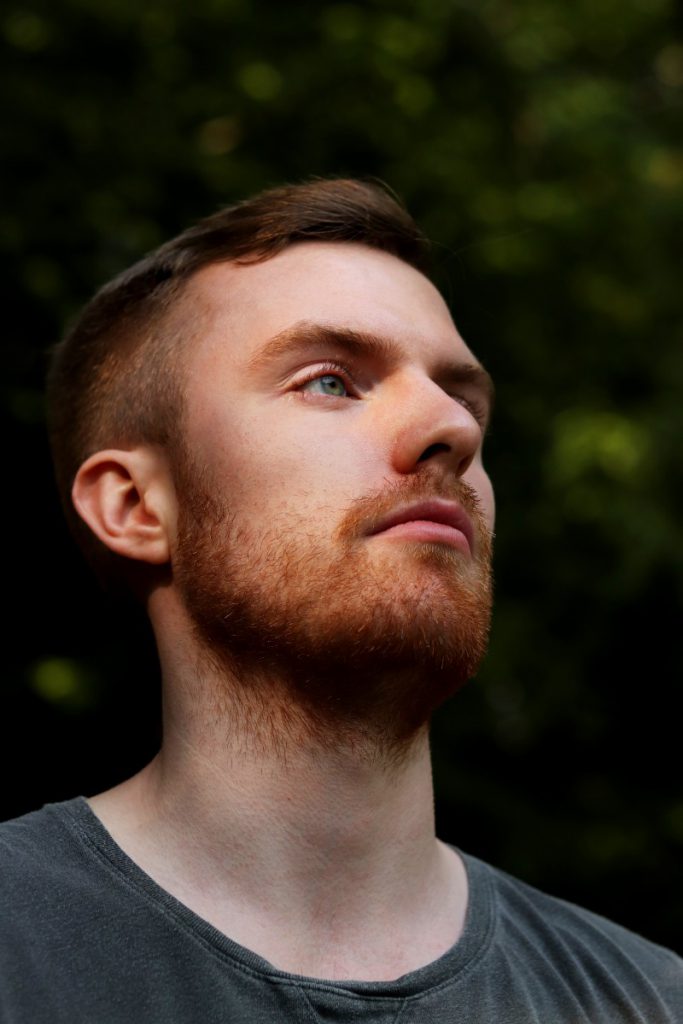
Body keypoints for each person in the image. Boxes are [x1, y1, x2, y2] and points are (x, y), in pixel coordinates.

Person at [1, 179, 680, 1023]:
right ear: (137, 507)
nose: (453, 430)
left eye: (463, 400)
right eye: (329, 382)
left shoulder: (646, 1002)